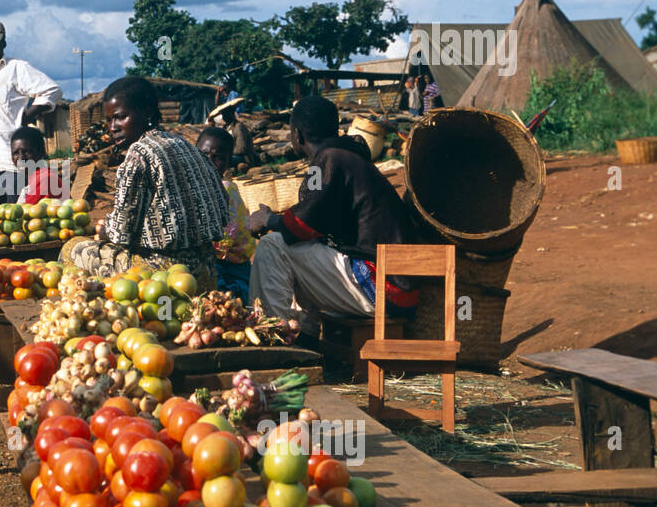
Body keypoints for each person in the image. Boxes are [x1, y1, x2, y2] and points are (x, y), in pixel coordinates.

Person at [246, 95, 421, 339]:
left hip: (381, 286)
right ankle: (306, 338)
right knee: (299, 250)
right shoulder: (347, 157)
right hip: (393, 284)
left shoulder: (329, 160)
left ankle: (274, 338)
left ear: (297, 135)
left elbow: (304, 224)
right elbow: (316, 221)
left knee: (273, 246)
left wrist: (267, 220)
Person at [60, 77, 228, 287]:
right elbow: (222, 211)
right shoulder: (186, 145)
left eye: (120, 117)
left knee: (72, 248)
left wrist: (105, 231)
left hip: (164, 274)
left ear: (147, 112)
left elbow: (121, 233)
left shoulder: (139, 154)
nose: (113, 127)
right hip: (206, 270)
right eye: (110, 120)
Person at [0, 19, 62, 204]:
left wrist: (28, 114)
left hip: (13, 163)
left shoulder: (16, 68)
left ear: (3, 43)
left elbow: (52, 90)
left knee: (15, 219)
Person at [195, 127, 257, 300]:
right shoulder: (197, 189)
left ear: (228, 163)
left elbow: (224, 240)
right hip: (217, 262)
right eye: (204, 154)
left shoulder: (226, 189)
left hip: (230, 268)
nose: (209, 161)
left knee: (228, 306)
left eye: (218, 158)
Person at [10, 126, 61, 204]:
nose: (21, 157)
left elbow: (25, 212)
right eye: (15, 153)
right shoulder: (33, 179)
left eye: (27, 152)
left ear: (41, 152)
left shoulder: (45, 179)